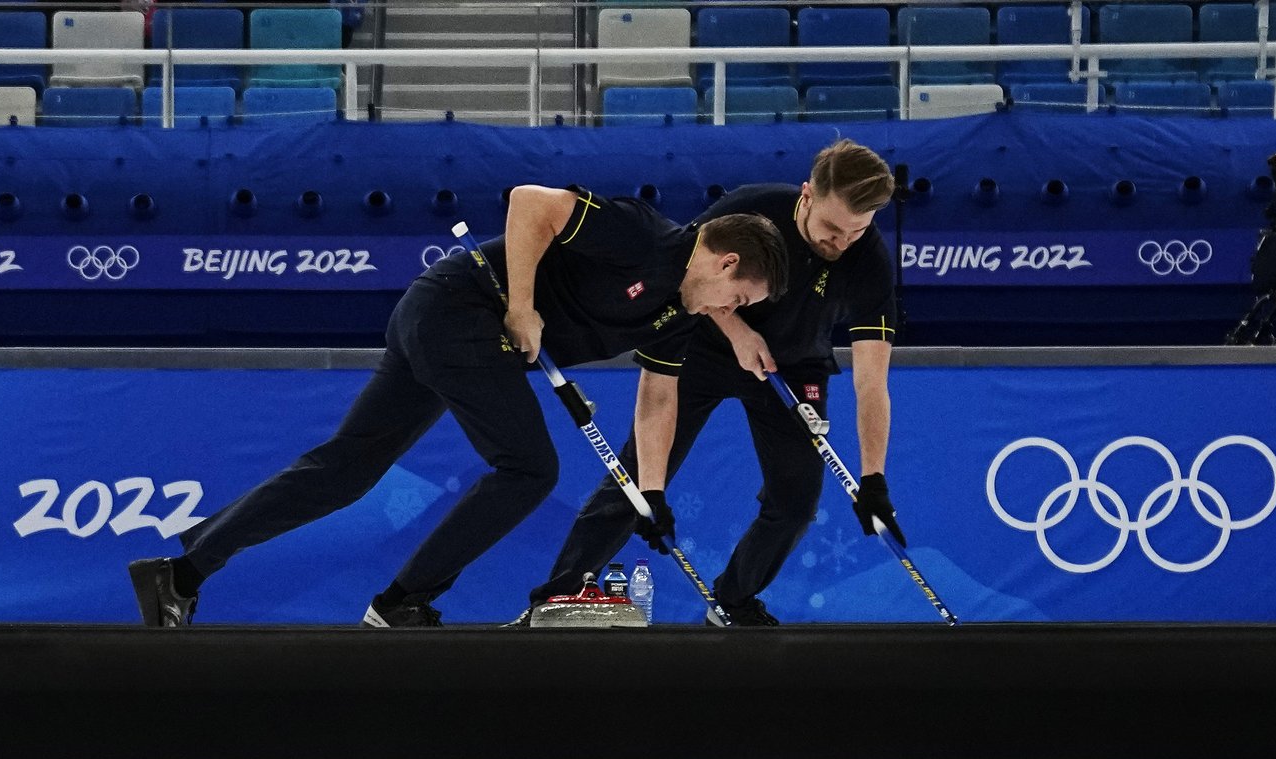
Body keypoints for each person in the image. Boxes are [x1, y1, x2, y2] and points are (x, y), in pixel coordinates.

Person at [127, 186, 786, 628]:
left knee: (346, 469)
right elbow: (530, 203)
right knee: (529, 468)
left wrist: (651, 492)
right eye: (742, 300)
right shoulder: (644, 235)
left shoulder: (680, 315)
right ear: (725, 263)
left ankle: (181, 572)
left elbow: (659, 396)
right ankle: (402, 601)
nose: (735, 316)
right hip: (459, 308)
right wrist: (523, 305)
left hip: (458, 329)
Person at [526, 140, 900, 629]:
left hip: (793, 369)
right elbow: (689, 271)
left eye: (857, 230)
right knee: (641, 478)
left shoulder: (868, 260)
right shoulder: (754, 207)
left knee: (797, 502)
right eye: (832, 228)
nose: (841, 243)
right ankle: (558, 598)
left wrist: (873, 479)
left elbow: (872, 381)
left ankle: (732, 602)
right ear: (807, 195)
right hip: (703, 342)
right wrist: (738, 330)